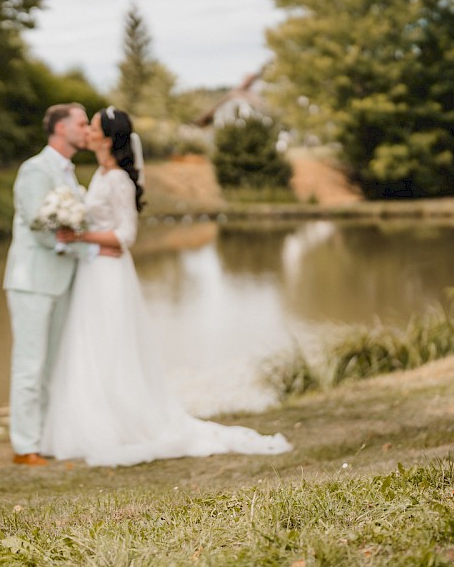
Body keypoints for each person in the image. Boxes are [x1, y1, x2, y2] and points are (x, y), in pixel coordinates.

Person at [39, 106, 293, 467]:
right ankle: (92, 423)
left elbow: (126, 235)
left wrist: (79, 234)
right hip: (93, 270)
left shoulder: (119, 181)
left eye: (93, 127)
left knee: (113, 345)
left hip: (111, 274)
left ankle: (122, 425)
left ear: (108, 138)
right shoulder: (100, 173)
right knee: (91, 344)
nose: (88, 133)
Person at [3, 102, 96, 466]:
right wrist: (78, 246)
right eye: (82, 123)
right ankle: (24, 447)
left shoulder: (69, 172)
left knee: (52, 366)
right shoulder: (35, 169)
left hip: (63, 279)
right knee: (30, 366)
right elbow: (36, 222)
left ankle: (45, 439)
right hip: (32, 280)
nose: (87, 129)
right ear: (60, 128)